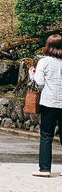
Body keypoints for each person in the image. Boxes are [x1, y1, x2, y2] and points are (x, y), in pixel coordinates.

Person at [29, 34, 62, 177]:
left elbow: (40, 83)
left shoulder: (44, 62)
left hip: (49, 102)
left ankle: (45, 169)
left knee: (46, 135)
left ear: (48, 46)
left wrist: (32, 75)